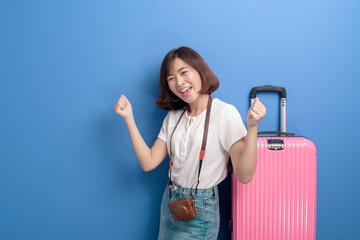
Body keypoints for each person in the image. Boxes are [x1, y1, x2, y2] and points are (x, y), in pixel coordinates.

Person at [114, 47, 266, 239]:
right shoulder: (173, 117)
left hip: (200, 211)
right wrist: (128, 118)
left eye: (184, 72)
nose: (179, 82)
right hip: (170, 203)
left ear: (200, 71)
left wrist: (252, 128)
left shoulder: (225, 114)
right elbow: (148, 162)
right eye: (171, 78)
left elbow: (244, 175)